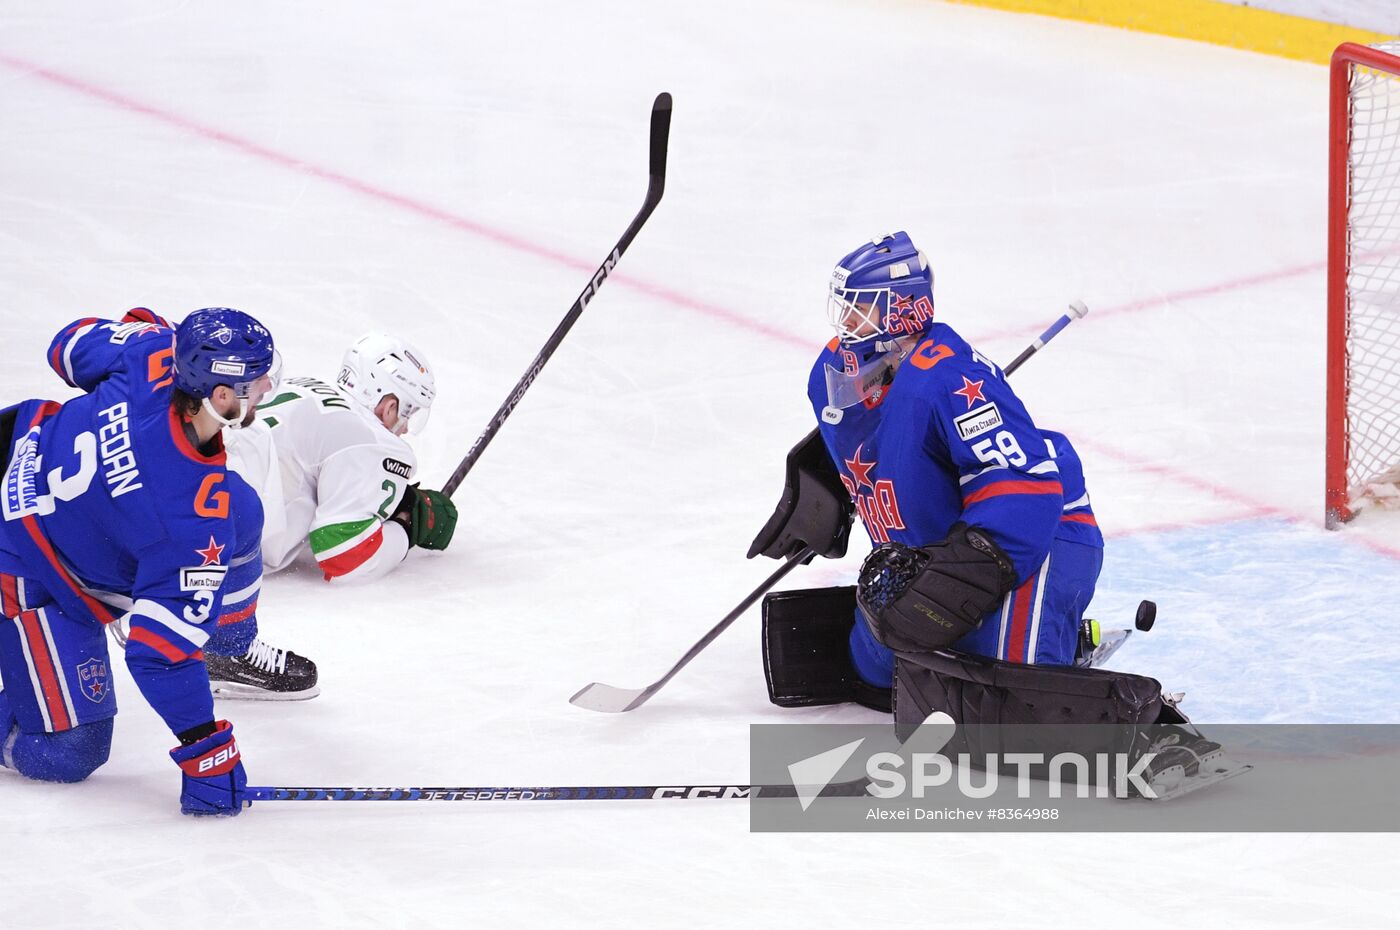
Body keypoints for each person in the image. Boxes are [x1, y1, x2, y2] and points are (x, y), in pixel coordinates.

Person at [753, 232, 1104, 709]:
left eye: (861, 307)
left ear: (903, 308)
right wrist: (821, 489)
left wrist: (965, 575)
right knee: (875, 676)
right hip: (925, 551)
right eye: (845, 306)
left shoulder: (948, 380)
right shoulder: (833, 370)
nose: (847, 320)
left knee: (1002, 702)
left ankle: (1057, 636)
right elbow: (865, 438)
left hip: (1038, 540)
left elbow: (1024, 488)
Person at [0, 307, 279, 815]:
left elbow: (66, 344)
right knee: (71, 751)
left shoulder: (152, 352)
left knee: (243, 507)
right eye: (256, 380)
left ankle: (227, 646)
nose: (265, 387)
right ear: (219, 397)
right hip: (25, 558)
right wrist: (206, 755)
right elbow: (157, 655)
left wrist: (141, 329)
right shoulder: (191, 520)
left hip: (13, 443)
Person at [222, 332, 457, 592]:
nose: (405, 430)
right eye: (407, 412)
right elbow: (345, 558)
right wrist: (407, 526)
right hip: (216, 546)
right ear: (389, 406)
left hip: (191, 492)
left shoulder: (303, 385)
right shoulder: (370, 439)